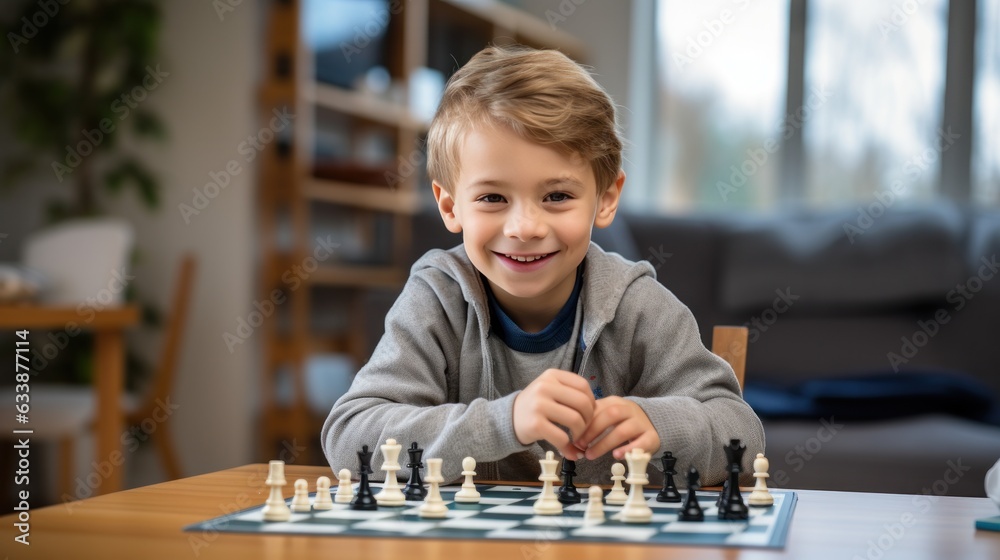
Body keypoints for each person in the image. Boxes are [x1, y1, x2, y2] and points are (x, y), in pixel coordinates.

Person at [322, 45, 764, 485]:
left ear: (606, 198)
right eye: (493, 198)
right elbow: (349, 437)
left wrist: (661, 424)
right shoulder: (436, 299)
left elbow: (741, 432)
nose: (525, 227)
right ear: (451, 206)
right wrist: (504, 420)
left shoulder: (638, 306)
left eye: (557, 196)